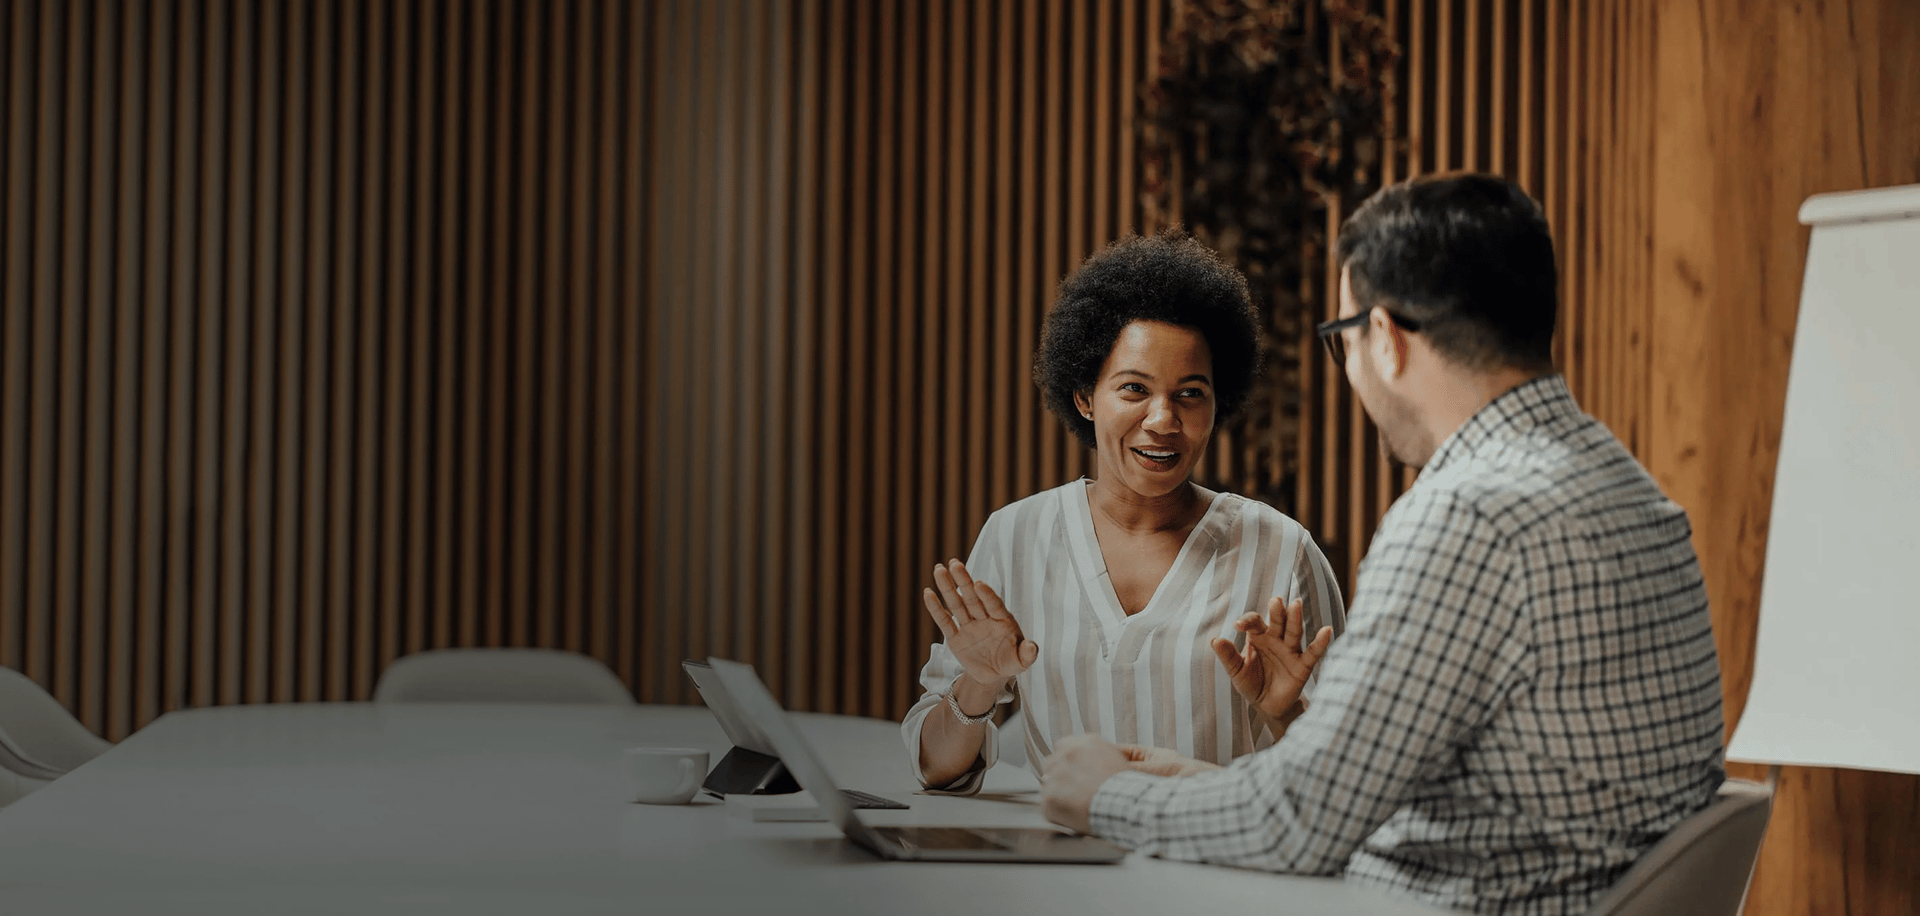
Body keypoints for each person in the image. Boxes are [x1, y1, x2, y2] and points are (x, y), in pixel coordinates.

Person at [1036, 174, 1727, 916]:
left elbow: (1297, 826)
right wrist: (1201, 784)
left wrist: (1108, 797)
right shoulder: (1628, 487)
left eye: (1343, 341)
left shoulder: (1464, 516)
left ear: (1387, 339)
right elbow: (1397, 792)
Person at [903, 229, 1347, 795]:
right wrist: (979, 684)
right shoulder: (1016, 535)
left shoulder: (1282, 552)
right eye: (1134, 388)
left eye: (1191, 393)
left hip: (1219, 868)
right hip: (1062, 870)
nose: (1163, 420)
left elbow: (1345, 783)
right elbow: (934, 769)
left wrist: (1286, 713)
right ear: (1085, 396)